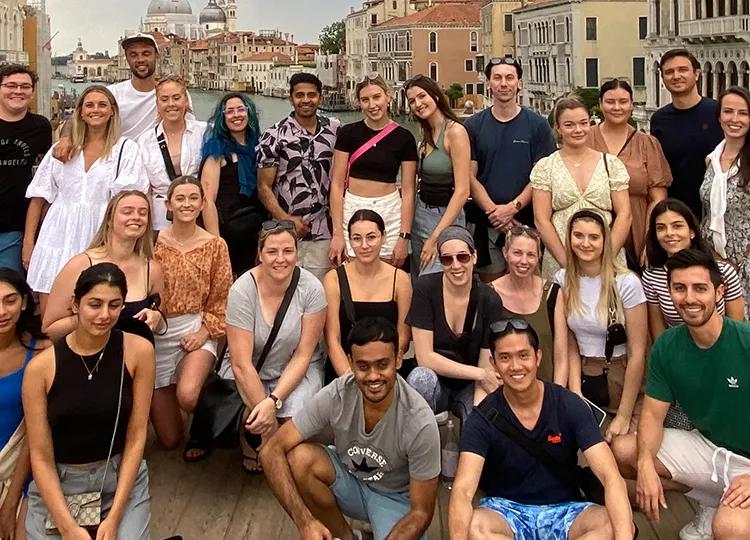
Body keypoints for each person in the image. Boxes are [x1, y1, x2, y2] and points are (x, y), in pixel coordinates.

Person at [448, 320, 635, 540]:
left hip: (566, 510)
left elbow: (610, 476)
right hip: (507, 512)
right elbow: (462, 491)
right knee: (474, 526)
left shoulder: (568, 405)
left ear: (538, 357)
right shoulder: (481, 419)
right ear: (494, 363)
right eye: (505, 358)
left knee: (612, 524)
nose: (516, 366)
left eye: (523, 355)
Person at [259, 317, 440, 540]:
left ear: (399, 359)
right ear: (350, 363)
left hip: (396, 498)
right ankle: (347, 537)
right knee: (299, 458)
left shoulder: (420, 421)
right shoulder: (337, 394)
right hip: (351, 480)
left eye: (383, 364)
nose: (373, 376)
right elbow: (271, 450)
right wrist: (305, 522)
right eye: (363, 366)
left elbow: (422, 511)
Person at [611, 249, 750, 540]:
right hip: (710, 449)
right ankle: (712, 501)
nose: (689, 298)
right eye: (679, 288)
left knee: (730, 529)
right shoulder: (667, 346)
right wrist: (646, 464)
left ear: (719, 292)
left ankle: (728, 511)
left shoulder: (744, 341)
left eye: (700, 288)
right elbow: (652, 412)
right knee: (627, 452)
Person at [23, 263, 155, 539]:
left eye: (114, 305)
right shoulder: (41, 368)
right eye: (94, 304)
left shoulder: (139, 352)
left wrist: (115, 516)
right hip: (60, 483)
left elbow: (136, 435)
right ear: (75, 304)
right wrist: (68, 526)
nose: (104, 315)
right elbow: (41, 455)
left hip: (118, 476)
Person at [23, 85, 147, 309]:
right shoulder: (60, 150)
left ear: (112, 111)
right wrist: (28, 243)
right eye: (89, 105)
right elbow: (38, 198)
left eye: (102, 105)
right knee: (51, 308)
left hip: (101, 234)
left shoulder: (126, 150)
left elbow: (131, 202)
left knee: (98, 303)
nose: (95, 110)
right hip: (58, 234)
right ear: (80, 111)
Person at [227, 220, 327, 472]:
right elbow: (241, 363)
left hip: (294, 368)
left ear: (297, 252)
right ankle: (254, 435)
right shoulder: (242, 291)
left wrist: (273, 401)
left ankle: (270, 439)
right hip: (252, 367)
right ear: (260, 254)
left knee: (294, 421)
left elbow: (304, 355)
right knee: (267, 425)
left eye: (287, 251)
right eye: (272, 251)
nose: (280, 259)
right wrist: (265, 411)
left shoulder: (312, 288)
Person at [643, 199, 745, 433]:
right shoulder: (652, 277)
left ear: (691, 230)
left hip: (723, 364)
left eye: (677, 226)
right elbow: (658, 335)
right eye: (661, 228)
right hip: (681, 366)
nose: (669, 233)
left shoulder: (722, 272)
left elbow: (737, 325)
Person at [152, 176, 232, 454]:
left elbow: (223, 297)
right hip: (156, 333)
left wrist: (204, 333)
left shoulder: (215, 246)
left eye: (193, 198)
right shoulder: (152, 243)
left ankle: (205, 412)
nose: (187, 204)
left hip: (196, 326)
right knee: (170, 439)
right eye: (180, 198)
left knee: (188, 395)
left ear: (202, 204)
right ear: (169, 204)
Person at [556, 209, 647, 442]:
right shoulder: (562, 280)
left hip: (621, 375)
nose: (585, 243)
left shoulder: (626, 282)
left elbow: (638, 353)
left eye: (594, 237)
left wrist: (624, 415)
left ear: (605, 241)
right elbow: (570, 345)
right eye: (578, 236)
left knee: (621, 447)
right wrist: (576, 394)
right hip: (585, 376)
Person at [464, 57, 556, 280]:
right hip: (487, 224)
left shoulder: (538, 126)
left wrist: (513, 208)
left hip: (528, 221)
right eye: (497, 78)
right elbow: (469, 175)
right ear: (489, 84)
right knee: (492, 289)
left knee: (528, 285)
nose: (503, 83)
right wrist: (496, 213)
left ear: (519, 83)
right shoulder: (473, 126)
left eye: (509, 78)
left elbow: (542, 176)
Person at [406, 225, 504, 421]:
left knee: (481, 417)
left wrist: (478, 416)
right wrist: (480, 374)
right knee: (420, 378)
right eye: (447, 259)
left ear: (474, 256)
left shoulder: (489, 299)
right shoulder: (426, 288)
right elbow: (425, 357)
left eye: (463, 257)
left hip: (470, 385)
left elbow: (486, 365)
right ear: (440, 262)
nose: (456, 265)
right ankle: (419, 446)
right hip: (436, 381)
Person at [42, 191, 164, 343]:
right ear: (109, 220)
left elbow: (160, 324)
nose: (136, 217)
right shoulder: (80, 265)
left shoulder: (152, 269)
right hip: (87, 359)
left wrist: (157, 318)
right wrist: (87, 316)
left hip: (135, 360)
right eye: (127, 211)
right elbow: (49, 331)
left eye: (143, 213)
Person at [531, 96, 632, 279]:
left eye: (583, 123)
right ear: (558, 128)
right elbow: (541, 220)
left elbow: (625, 214)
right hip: (560, 257)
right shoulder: (545, 167)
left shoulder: (611, 164)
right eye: (569, 125)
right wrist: (567, 263)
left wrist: (606, 259)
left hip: (606, 256)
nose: (578, 130)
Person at [256, 73, 341, 282]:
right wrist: (287, 220)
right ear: (291, 98)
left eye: (311, 95)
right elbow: (263, 187)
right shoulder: (273, 136)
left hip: (325, 231)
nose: (305, 100)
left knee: (321, 294)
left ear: (320, 97)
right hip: (284, 232)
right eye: (299, 95)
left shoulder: (335, 129)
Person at [328, 73, 418, 268]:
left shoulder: (404, 138)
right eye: (365, 100)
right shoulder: (348, 133)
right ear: (359, 103)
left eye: (377, 97)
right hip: (353, 207)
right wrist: (337, 234)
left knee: (389, 274)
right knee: (351, 273)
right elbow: (336, 185)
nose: (372, 105)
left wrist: (404, 237)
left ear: (388, 96)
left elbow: (409, 191)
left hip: (390, 209)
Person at [587, 79, 672, 265]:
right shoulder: (586, 140)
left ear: (632, 104)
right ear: (601, 104)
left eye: (623, 101)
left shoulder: (647, 144)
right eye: (610, 102)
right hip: (592, 231)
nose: (617, 107)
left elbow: (657, 198)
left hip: (637, 230)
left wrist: (649, 241)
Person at [323, 209, 411, 378]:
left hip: (386, 370)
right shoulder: (333, 279)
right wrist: (351, 378)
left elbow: (403, 339)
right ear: (349, 240)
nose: (364, 246)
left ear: (383, 237)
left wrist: (381, 373)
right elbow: (332, 340)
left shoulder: (399, 279)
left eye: (371, 237)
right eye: (357, 238)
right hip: (344, 368)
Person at [52, 33, 164, 163]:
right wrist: (65, 139)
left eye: (146, 53)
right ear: (127, 58)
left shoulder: (169, 96)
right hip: (119, 162)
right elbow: (75, 119)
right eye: (133, 55)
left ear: (157, 56)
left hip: (155, 163)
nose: (140, 59)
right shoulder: (112, 93)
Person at [404, 74, 470, 276]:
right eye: (412, 101)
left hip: (446, 217)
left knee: (439, 276)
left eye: (422, 96)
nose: (418, 104)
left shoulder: (455, 132)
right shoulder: (424, 135)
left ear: (436, 95)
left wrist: (434, 238)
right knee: (420, 278)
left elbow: (462, 191)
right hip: (421, 212)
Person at [0, 269, 49, 540]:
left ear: (24, 302)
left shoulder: (42, 353)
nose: (1, 311)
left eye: (10, 300)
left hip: (23, 472)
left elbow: (36, 433)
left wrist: (9, 505)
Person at [650, 49, 724, 219]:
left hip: (716, 211)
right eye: (669, 72)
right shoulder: (659, 120)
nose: (676, 76)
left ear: (697, 74)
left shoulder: (717, 113)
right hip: (677, 213)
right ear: (663, 78)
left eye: (682, 70)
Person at [490, 225, 568, 384]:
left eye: (531, 255)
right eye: (517, 253)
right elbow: (486, 357)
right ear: (505, 253)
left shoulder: (553, 294)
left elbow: (561, 357)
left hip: (547, 391)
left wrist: (557, 396)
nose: (524, 261)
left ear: (539, 256)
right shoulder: (490, 294)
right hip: (505, 391)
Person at [201, 92, 265, 275]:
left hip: (255, 231)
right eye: (229, 112)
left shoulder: (259, 147)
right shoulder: (217, 152)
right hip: (229, 233)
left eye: (240, 109)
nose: (236, 115)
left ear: (249, 113)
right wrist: (216, 242)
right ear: (223, 118)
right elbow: (208, 201)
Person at [136, 76, 207, 231]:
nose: (171, 104)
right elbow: (144, 189)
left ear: (186, 101)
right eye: (164, 99)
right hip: (160, 220)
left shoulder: (204, 132)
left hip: (197, 215)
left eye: (176, 98)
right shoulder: (145, 141)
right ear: (157, 104)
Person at [0, 64, 51, 273]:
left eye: (25, 86)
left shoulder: (40, 127)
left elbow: (47, 175)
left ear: (32, 91)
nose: (18, 91)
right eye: (11, 85)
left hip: (17, 226)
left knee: (10, 289)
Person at [700, 87, 750, 284]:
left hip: (744, 263)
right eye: (728, 111)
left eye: (743, 113)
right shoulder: (711, 160)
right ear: (719, 116)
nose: (734, 119)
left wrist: (741, 260)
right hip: (713, 261)